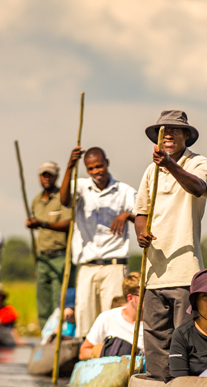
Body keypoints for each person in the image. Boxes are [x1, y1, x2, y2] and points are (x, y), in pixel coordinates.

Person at [134, 110, 207, 381]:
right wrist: (141, 233)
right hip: (154, 270)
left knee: (184, 334)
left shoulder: (198, 163)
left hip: (183, 268)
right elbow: (141, 212)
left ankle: (184, 385)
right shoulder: (150, 171)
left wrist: (169, 164)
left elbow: (198, 187)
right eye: (163, 131)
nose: (168, 135)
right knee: (155, 335)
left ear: (186, 136)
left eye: (175, 131)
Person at [60, 146, 137, 339]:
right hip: (87, 266)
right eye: (91, 168)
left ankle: (113, 356)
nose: (96, 172)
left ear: (107, 163)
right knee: (85, 319)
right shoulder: (80, 187)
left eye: (99, 166)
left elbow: (143, 216)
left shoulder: (124, 191)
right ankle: (86, 356)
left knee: (114, 318)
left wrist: (126, 215)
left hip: (113, 266)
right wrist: (70, 166)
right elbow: (64, 201)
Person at [27, 161, 71, 328]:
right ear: (39, 177)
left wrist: (42, 224)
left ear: (56, 176)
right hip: (42, 258)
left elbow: (69, 223)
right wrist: (32, 224)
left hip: (60, 256)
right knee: (43, 302)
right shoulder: (36, 201)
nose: (46, 178)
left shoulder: (63, 197)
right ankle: (45, 336)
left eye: (50, 175)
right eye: (44, 175)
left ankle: (57, 335)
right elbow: (35, 223)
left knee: (58, 301)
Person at [79, 272, 145, 360]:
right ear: (130, 298)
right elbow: (83, 352)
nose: (151, 299)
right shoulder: (107, 318)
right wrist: (106, 353)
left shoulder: (154, 322)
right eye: (145, 295)